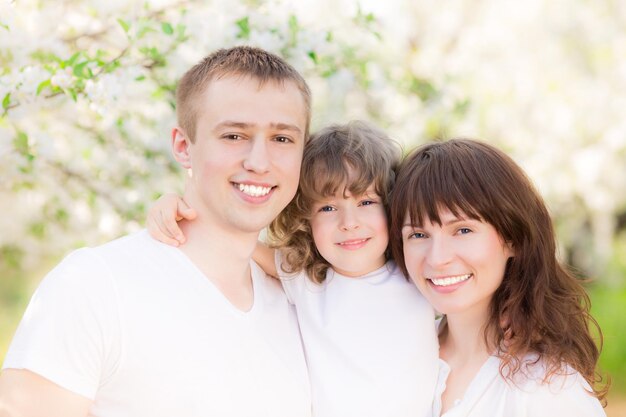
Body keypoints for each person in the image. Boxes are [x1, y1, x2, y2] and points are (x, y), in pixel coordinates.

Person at [0, 46, 313, 417]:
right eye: (233, 136)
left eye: (282, 139)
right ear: (183, 146)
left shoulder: (304, 304)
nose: (259, 162)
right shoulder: (95, 284)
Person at [147, 121, 440, 417]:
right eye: (327, 208)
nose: (349, 222)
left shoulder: (418, 275)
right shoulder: (308, 279)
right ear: (305, 220)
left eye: (366, 201)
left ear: (390, 206)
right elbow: (229, 237)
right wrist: (173, 205)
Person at [388, 139, 608, 416]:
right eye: (418, 235)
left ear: (512, 238)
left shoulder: (547, 390)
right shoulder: (397, 356)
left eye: (463, 230)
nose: (437, 258)